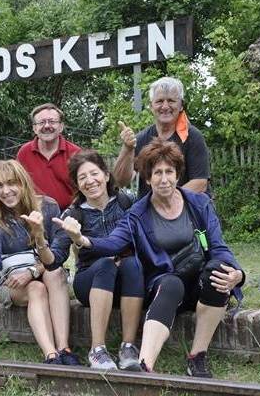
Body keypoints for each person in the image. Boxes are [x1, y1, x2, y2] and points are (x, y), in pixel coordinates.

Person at [56, 139, 245, 377]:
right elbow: (113, 242)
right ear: (147, 178)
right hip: (164, 285)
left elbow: (218, 246)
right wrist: (82, 240)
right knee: (171, 283)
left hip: (200, 283)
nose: (164, 179)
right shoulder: (137, 213)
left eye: (169, 172)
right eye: (157, 173)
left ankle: (197, 357)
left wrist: (237, 274)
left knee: (219, 269)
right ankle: (145, 366)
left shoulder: (199, 204)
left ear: (178, 175)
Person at [29, 149, 144, 370]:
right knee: (105, 264)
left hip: (128, 281)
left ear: (106, 175)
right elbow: (53, 261)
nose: (90, 181)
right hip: (91, 282)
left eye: (94, 174)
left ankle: (128, 346)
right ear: (77, 185)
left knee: (132, 263)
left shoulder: (126, 202)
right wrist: (40, 237)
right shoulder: (73, 215)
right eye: (82, 178)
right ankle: (97, 350)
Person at [0, 160, 80, 365]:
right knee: (36, 289)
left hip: (46, 272)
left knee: (55, 273)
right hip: (11, 283)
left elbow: (59, 255)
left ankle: (64, 348)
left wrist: (34, 268)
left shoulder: (48, 207)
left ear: (23, 183)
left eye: (11, 183)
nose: (6, 191)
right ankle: (51, 354)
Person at [113, 76, 210, 198]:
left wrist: (162, 201)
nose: (165, 106)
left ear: (181, 106)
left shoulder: (193, 137)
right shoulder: (141, 139)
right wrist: (127, 149)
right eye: (159, 101)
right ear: (151, 106)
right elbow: (119, 181)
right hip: (150, 212)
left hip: (187, 210)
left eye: (171, 101)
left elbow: (200, 184)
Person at [16, 103, 81, 210]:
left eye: (52, 122)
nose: (47, 126)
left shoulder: (76, 153)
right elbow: (18, 185)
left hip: (70, 215)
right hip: (34, 214)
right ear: (35, 128)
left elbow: (84, 189)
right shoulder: (24, 153)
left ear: (61, 127)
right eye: (41, 122)